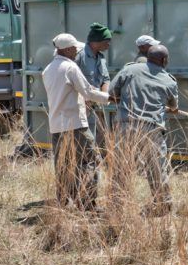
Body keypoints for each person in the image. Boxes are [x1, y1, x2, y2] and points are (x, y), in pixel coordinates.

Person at [109, 44, 179, 216]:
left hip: (125, 125)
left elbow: (112, 92)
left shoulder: (129, 70)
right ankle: (163, 204)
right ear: (164, 60)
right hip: (151, 129)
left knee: (121, 167)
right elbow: (173, 105)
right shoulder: (169, 80)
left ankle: (117, 206)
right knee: (156, 168)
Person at [42, 33, 109, 211]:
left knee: (63, 165)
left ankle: (64, 202)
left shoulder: (48, 69)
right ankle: (88, 204)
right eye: (75, 50)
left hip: (56, 126)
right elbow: (87, 92)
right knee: (90, 161)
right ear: (69, 49)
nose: (77, 53)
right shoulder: (70, 67)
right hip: (76, 125)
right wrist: (109, 98)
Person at [76, 22, 112, 140]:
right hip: (81, 108)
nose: (108, 44)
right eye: (106, 41)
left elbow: (105, 79)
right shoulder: (79, 56)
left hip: (96, 107)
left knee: (98, 140)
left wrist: (104, 96)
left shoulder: (100, 58)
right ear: (95, 42)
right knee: (83, 142)